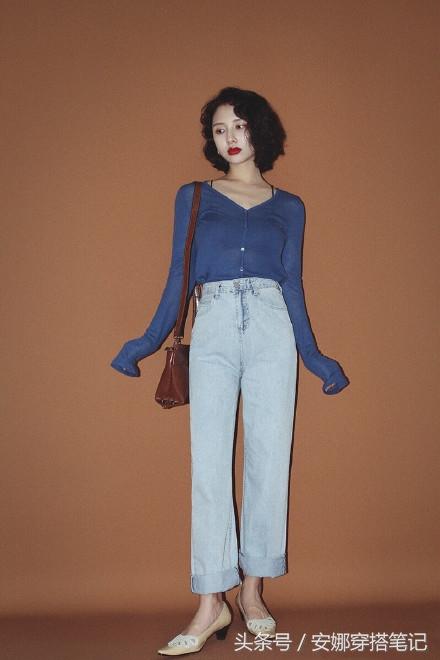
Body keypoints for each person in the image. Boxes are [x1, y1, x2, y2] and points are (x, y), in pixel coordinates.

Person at [110, 86, 350, 656]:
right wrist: (144, 342)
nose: (231, 138)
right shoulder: (194, 196)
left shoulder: (290, 207)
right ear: (212, 140)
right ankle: (209, 602)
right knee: (210, 465)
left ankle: (252, 591)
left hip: (272, 327)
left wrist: (314, 356)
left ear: (258, 131)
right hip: (214, 323)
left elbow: (293, 285)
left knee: (269, 456)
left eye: (239, 126)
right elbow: (178, 274)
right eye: (220, 130)